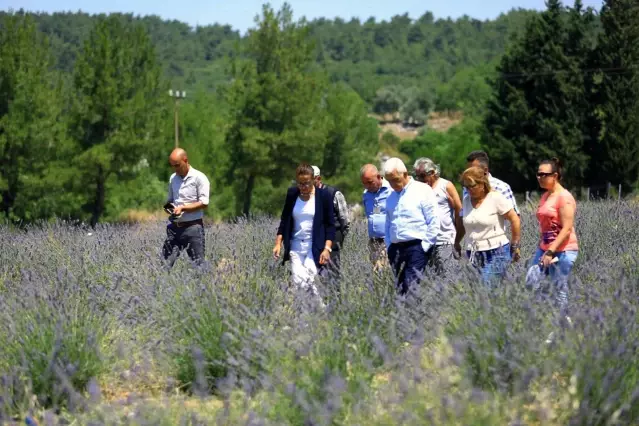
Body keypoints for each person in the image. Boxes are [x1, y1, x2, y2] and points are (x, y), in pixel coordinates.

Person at [273, 164, 335, 301]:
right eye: (300, 183)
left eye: (306, 183)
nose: (303, 187)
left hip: (314, 247)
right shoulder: (292, 194)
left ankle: (317, 314)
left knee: (308, 280)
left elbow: (331, 225)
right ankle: (310, 317)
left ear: (313, 180)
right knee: (298, 281)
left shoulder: (323, 196)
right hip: (295, 246)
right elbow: (284, 220)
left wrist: (327, 249)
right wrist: (278, 243)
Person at [383, 157, 440, 295]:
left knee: (411, 287)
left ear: (405, 174)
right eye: (389, 181)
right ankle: (406, 316)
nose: (393, 184)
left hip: (416, 247)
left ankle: (415, 315)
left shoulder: (422, 190)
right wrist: (389, 245)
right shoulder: (390, 196)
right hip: (396, 249)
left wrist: (424, 247)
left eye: (395, 179)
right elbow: (388, 224)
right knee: (401, 289)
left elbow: (433, 220)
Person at [455, 166, 521, 286]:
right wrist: (457, 242)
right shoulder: (466, 200)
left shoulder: (495, 197)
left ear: (482, 184)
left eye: (472, 186)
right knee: (477, 291)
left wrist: (515, 244)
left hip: (497, 252)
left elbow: (514, 219)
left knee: (487, 287)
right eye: (466, 187)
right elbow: (463, 224)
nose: (469, 190)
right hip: (474, 253)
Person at [529, 157, 578, 310]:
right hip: (545, 248)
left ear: (555, 176)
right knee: (531, 281)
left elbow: (567, 228)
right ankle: (544, 314)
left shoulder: (564, 197)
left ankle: (563, 323)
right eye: (538, 174)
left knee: (559, 289)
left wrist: (550, 251)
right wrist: (543, 246)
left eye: (543, 174)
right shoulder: (545, 196)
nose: (539, 178)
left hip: (563, 250)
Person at [413, 157, 463, 273]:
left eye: (422, 176)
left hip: (444, 240)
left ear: (432, 172)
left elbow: (459, 209)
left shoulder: (446, 185)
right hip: (426, 241)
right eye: (417, 176)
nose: (420, 179)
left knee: (448, 276)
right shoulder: (418, 189)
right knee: (429, 279)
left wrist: (458, 237)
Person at [162, 148, 210, 267]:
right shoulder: (173, 178)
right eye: (172, 166)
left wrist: (183, 208)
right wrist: (169, 208)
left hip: (193, 229)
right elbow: (170, 200)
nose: (175, 169)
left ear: (186, 160)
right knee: (163, 266)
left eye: (177, 165)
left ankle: (208, 284)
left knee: (199, 267)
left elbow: (204, 202)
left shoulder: (199, 178)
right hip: (174, 229)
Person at [311, 166, 350, 275]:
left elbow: (345, 220)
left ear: (318, 179)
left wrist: (338, 239)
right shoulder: (305, 195)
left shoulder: (333, 194)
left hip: (333, 240)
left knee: (332, 276)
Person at [462, 150, 519, 216]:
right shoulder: (466, 189)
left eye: (474, 170)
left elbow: (515, 217)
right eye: (468, 170)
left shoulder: (501, 187)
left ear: (485, 170)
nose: (470, 173)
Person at [361, 163, 392, 269]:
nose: (367, 186)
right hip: (373, 241)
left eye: (370, 182)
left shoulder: (391, 190)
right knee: (375, 274)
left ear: (379, 177)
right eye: (364, 183)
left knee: (386, 272)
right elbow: (372, 213)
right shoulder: (366, 194)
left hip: (387, 240)